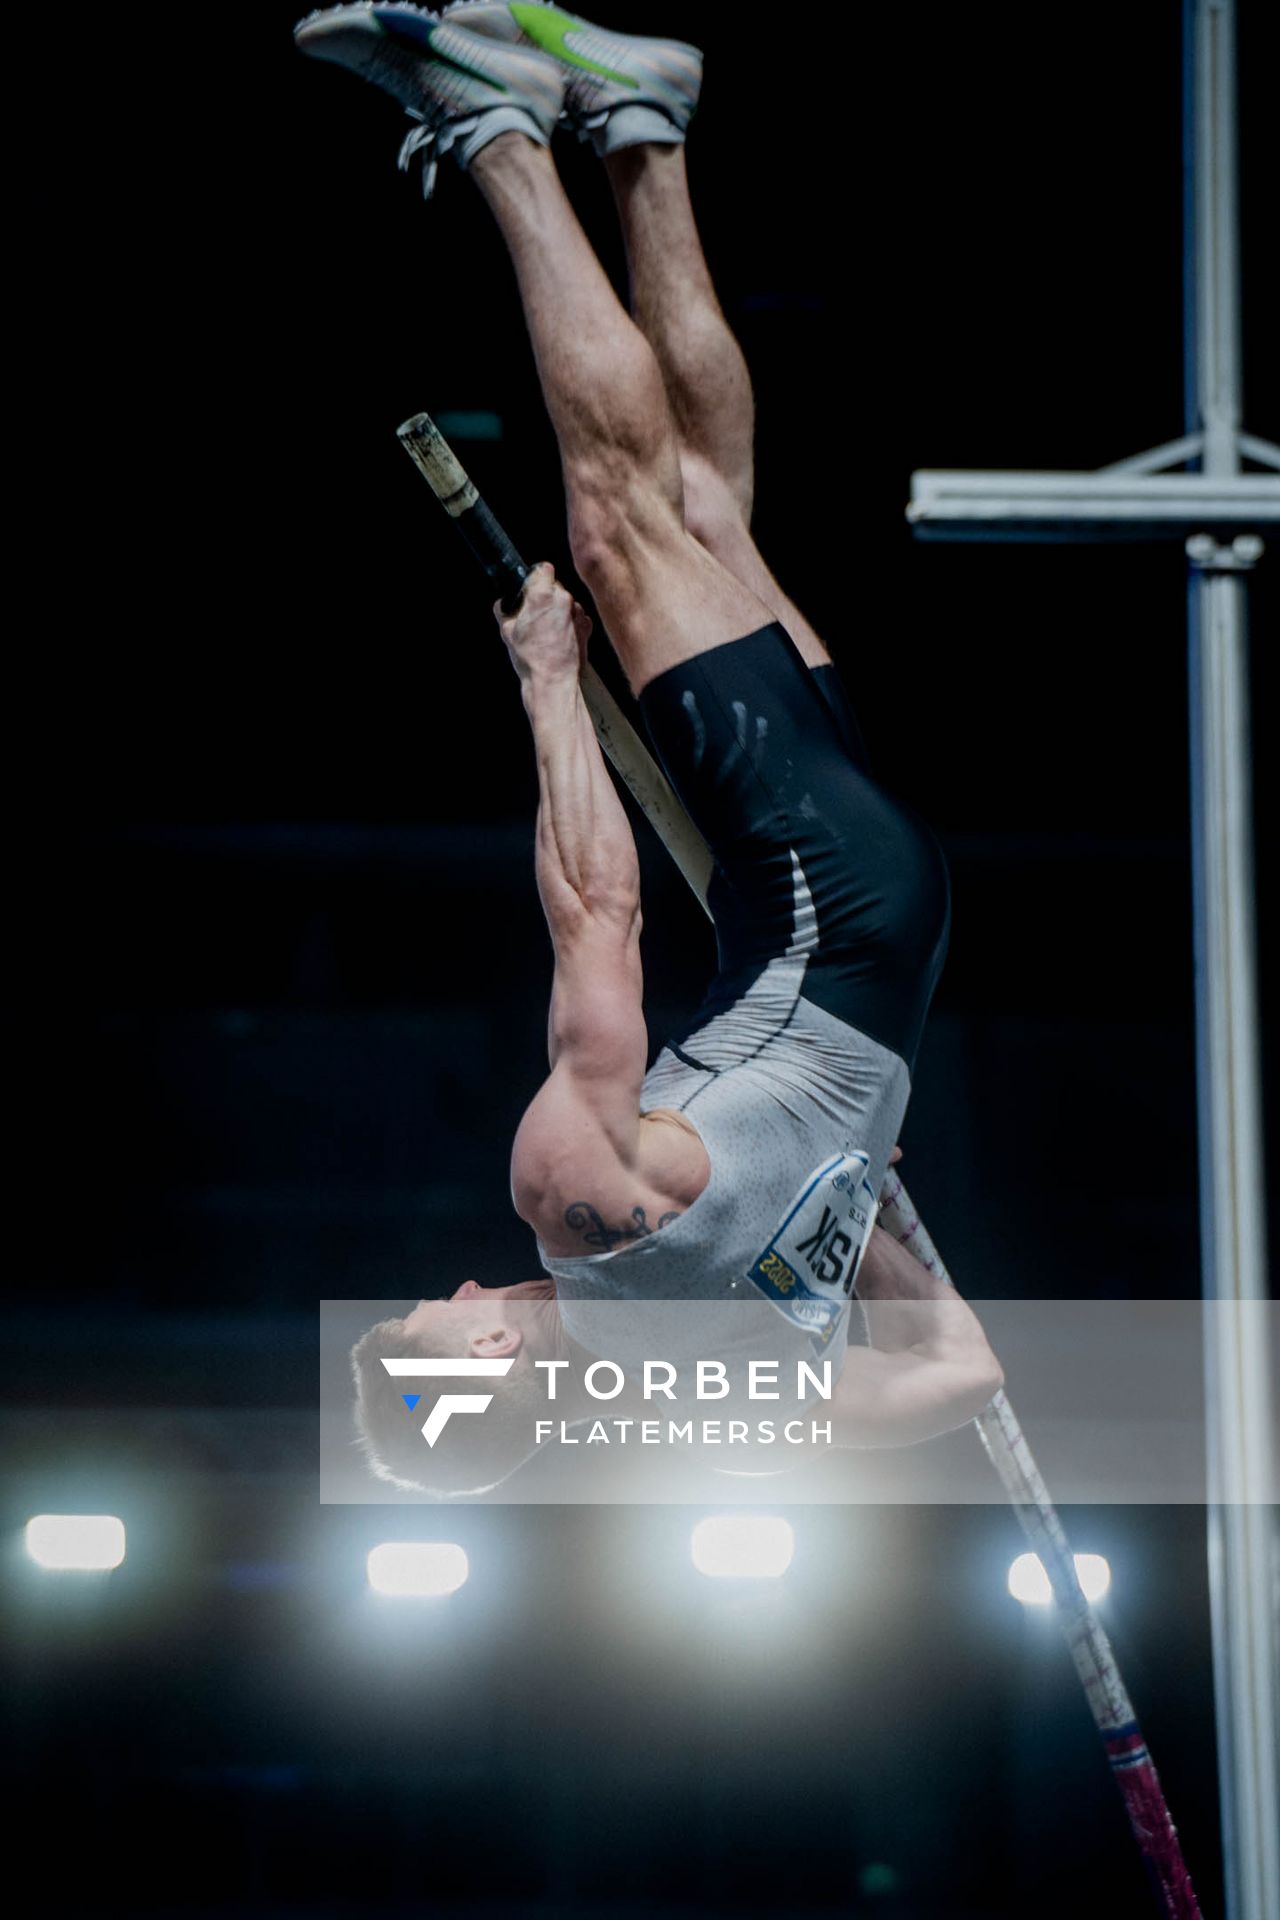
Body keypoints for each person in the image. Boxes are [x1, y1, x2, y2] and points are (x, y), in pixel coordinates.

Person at [299, 3, 1003, 1493]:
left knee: (700, 515)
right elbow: (597, 910)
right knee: (615, 532)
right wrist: (553, 693)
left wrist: (863, 1216)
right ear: (478, 1362)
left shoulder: (726, 1409)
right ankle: (490, 124)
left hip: (865, 945)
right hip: (819, 895)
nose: (451, 1295)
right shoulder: (565, 1199)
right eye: (431, 1319)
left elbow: (958, 1373)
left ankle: (642, 126)